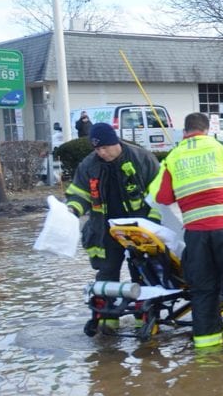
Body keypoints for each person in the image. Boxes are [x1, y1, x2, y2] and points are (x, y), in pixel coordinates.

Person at [148, 112, 223, 353]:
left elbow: (160, 195)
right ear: (207, 129)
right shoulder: (222, 148)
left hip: (195, 234)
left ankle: (206, 346)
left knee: (203, 287)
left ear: (184, 132)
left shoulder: (173, 156)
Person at [65, 122, 161, 324]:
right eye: (97, 149)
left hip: (139, 228)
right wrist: (72, 209)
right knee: (107, 272)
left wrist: (153, 222)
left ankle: (142, 318)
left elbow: (159, 193)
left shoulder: (141, 159)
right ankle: (108, 321)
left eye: (104, 148)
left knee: (142, 272)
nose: (101, 153)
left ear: (114, 142)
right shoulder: (89, 165)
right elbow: (79, 194)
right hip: (105, 229)